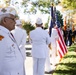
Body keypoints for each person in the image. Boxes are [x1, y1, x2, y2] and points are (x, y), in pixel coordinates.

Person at [0, 6, 25, 75]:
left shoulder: (7, 33)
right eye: (13, 19)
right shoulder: (1, 36)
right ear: (5, 20)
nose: (15, 22)